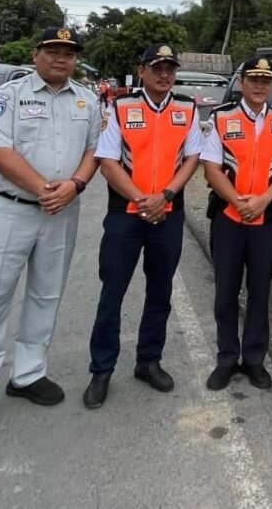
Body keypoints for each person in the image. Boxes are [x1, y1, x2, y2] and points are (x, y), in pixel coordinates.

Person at [0, 27, 101, 432]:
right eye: (52, 51)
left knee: (46, 293)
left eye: (68, 53)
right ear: (36, 54)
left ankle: (28, 374)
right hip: (10, 210)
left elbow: (94, 151)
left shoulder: (88, 101)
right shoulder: (10, 96)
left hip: (62, 211)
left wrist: (74, 186)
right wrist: (42, 189)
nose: (60, 58)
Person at [82, 44, 202, 409]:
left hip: (168, 212)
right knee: (112, 293)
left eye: (170, 68)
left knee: (160, 291)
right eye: (157, 68)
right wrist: (141, 199)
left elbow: (192, 157)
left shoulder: (187, 108)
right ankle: (101, 369)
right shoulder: (120, 107)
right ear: (142, 71)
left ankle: (149, 361)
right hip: (125, 215)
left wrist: (164, 195)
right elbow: (107, 160)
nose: (165, 75)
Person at [201, 57, 272, 392]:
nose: (259, 86)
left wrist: (263, 199)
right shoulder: (221, 117)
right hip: (228, 217)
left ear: (271, 85)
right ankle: (227, 358)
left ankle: (254, 359)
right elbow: (211, 167)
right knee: (226, 291)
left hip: (267, 219)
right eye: (254, 79)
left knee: (259, 292)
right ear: (242, 82)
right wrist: (238, 201)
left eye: (266, 80)